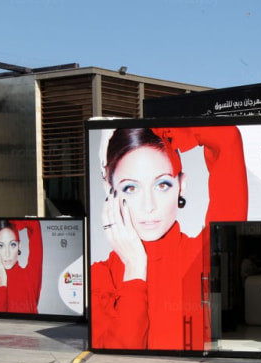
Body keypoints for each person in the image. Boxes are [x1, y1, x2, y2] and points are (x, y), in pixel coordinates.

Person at [90, 126, 248, 350]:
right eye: (131, 188)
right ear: (110, 189)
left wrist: (158, 128)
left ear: (181, 186)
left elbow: (227, 137)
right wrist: (135, 269)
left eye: (162, 185)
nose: (148, 206)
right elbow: (118, 362)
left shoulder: (204, 254)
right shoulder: (100, 277)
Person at [0, 219, 43, 314]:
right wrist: (2, 280)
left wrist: (13, 221)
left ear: (19, 246)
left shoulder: (30, 276)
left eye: (12, 245)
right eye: (1, 246)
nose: (7, 253)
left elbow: (35, 224)